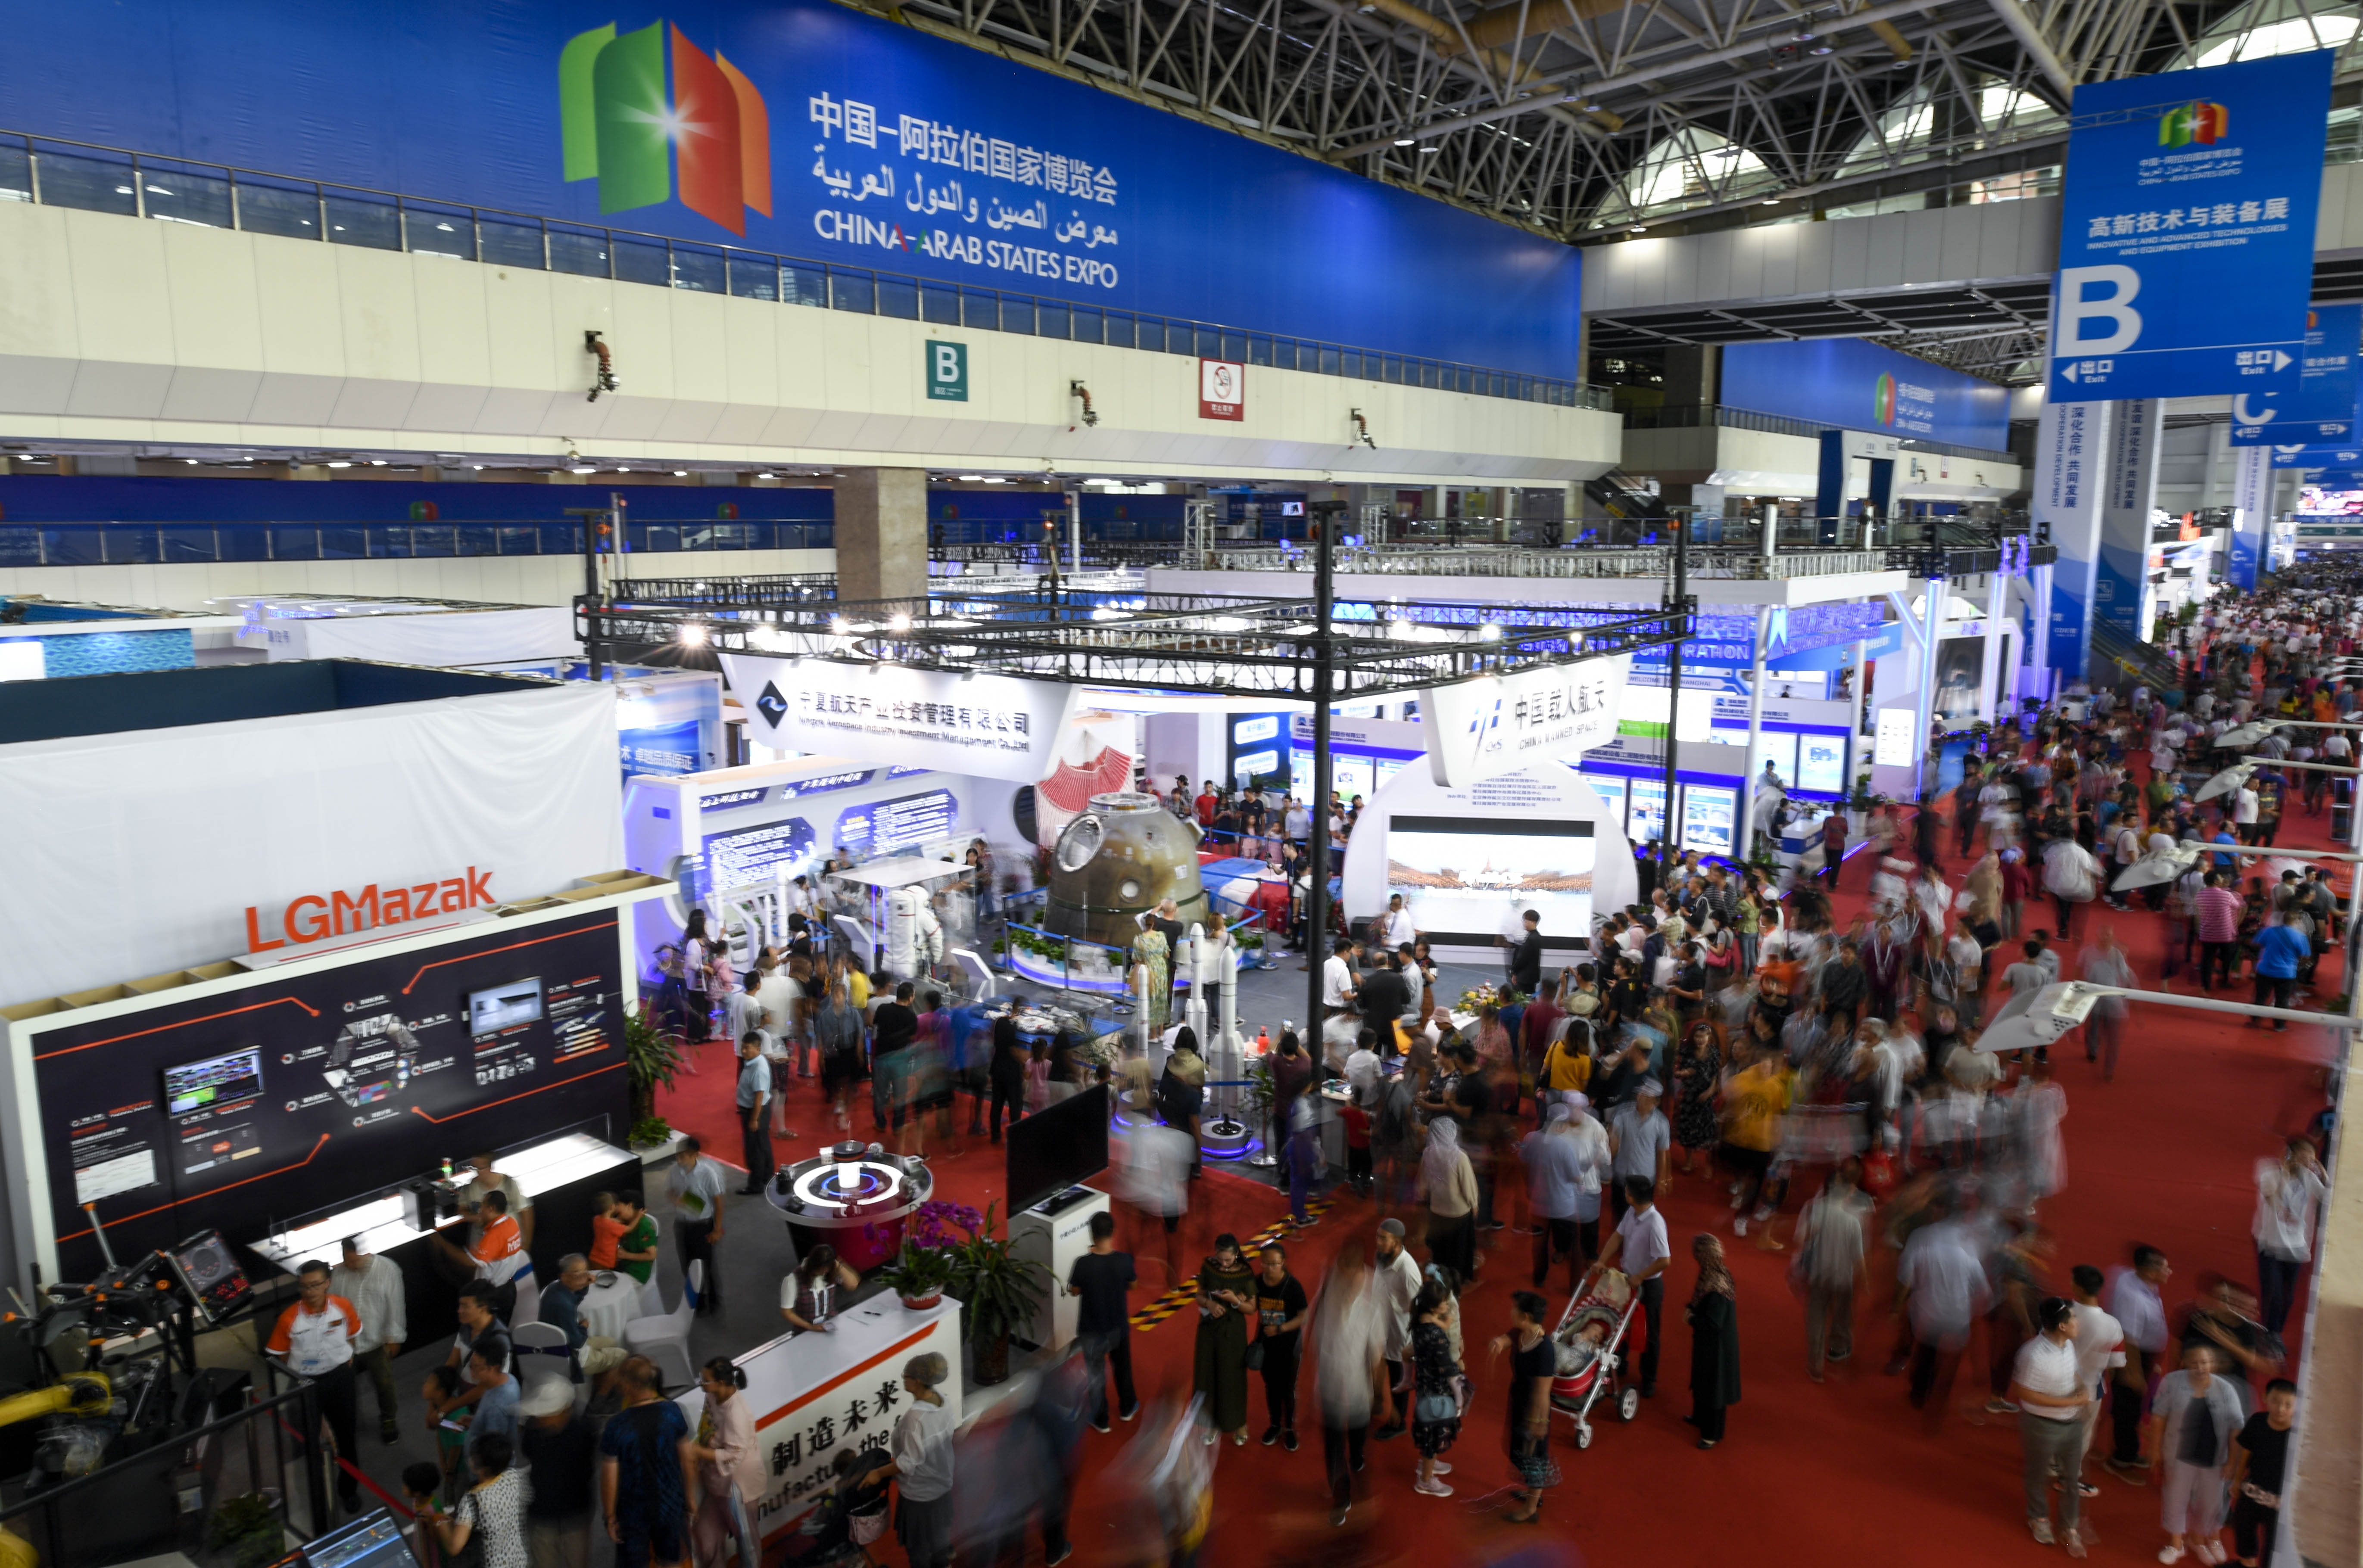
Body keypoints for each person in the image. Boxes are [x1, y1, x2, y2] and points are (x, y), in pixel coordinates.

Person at [267, 1259, 365, 1515]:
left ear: (327, 1283)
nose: (309, 1291)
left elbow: (353, 1335)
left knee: (347, 1437)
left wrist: (345, 1360)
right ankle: (318, 1497)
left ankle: (348, 1491)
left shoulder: (342, 1307)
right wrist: (301, 1373)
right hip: (307, 1384)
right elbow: (281, 1354)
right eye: (304, 1286)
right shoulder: (289, 1318)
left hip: (340, 1379)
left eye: (315, 1285)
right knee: (310, 1443)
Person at [1311, 1244, 1389, 1528]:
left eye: (1348, 1272)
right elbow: (1318, 1327)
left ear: (1359, 1270)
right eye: (1339, 1270)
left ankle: (1358, 1465)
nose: (1342, 1277)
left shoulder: (1374, 1297)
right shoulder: (1330, 1280)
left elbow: (1376, 1352)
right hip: (1330, 1382)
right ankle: (1341, 1497)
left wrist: (1378, 1393)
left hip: (1358, 1386)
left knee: (1358, 1443)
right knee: (1333, 1445)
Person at [2150, 1344, 2247, 1565]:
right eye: (2195, 1363)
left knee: (2211, 1503)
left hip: (2214, 1459)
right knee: (2175, 1499)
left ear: (2213, 1364)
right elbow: (2159, 1417)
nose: (2201, 1367)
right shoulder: (2172, 1382)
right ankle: (2176, 1544)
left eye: (2205, 1362)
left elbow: (2236, 1428)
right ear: (2185, 1363)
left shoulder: (2226, 1390)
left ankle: (2202, 1540)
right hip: (2179, 1456)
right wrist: (2156, 1450)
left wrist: (2232, 1461)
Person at [2009, 1296, 2091, 1553]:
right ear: (2063, 1326)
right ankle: (2039, 1518)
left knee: (2072, 1479)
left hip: (2072, 1424)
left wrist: (2081, 1390)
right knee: (2038, 1475)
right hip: (2041, 1426)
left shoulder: (2068, 1346)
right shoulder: (2033, 1355)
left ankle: (2069, 1527)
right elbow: (2025, 1393)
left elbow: (2074, 1373)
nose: (2078, 1322)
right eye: (2074, 1318)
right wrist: (2070, 1402)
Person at [599, 1357, 695, 1568]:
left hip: (633, 1512)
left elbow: (609, 1477)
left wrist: (610, 1516)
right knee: (670, 1561)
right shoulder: (673, 1412)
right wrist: (690, 1500)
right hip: (670, 1504)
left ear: (630, 1385)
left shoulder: (617, 1426)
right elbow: (688, 1460)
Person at [1793, 1160, 1871, 1382]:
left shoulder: (1818, 1210)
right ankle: (1838, 1349)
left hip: (1820, 1274)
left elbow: (1802, 1240)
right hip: (1844, 1278)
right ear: (1847, 1194)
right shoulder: (1853, 1221)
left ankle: (1815, 1365)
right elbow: (1859, 1258)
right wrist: (1864, 1282)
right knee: (1842, 1314)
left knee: (1816, 1317)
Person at [878, 1353, 957, 1568]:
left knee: (918, 1550)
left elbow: (907, 1463)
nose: (904, 1379)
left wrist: (877, 1473)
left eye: (907, 1376)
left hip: (919, 1498)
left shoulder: (914, 1419)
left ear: (918, 1381)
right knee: (940, 1541)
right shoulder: (944, 1401)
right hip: (942, 1485)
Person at [1596, 1175, 1670, 1397]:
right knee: (1621, 1324)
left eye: (1627, 1191)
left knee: (1650, 1333)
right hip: (1627, 1280)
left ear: (1631, 1197)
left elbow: (1665, 1260)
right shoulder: (1632, 1212)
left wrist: (1641, 1276)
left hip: (1649, 1285)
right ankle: (1621, 1363)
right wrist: (1602, 1260)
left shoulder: (1655, 1223)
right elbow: (1618, 1237)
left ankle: (1649, 1379)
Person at [1524, 1100, 1608, 1294]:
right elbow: (1576, 1177)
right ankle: (1575, 1286)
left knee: (1539, 1240)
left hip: (1538, 1202)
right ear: (1560, 1124)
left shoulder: (1531, 1138)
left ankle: (1539, 1278)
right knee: (1576, 1245)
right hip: (1562, 1204)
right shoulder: (1564, 1147)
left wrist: (1530, 1188)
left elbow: (1524, 1164)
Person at [330, 1235, 407, 1445]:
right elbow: (333, 1306)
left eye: (354, 1260)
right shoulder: (339, 1274)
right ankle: (346, 1423)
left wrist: (394, 1337)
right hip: (347, 1343)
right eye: (346, 1260)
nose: (350, 1265)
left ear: (365, 1253)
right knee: (344, 1387)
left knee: (384, 1384)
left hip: (377, 1341)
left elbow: (396, 1304)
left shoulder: (387, 1269)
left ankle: (389, 1420)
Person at [1490, 1290, 1558, 1523]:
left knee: (1534, 1457)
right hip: (1520, 1401)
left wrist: (1539, 1422)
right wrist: (1501, 1342)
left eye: (1515, 1310)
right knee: (1521, 1452)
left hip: (1534, 1410)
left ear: (1526, 1317)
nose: (1511, 1312)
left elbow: (1543, 1393)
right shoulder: (1523, 1332)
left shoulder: (1544, 1351)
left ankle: (1531, 1509)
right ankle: (1532, 1494)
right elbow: (1511, 1336)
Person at [1068, 1212, 1140, 1431]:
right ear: (1113, 1232)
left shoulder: (1083, 1264)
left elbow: (1074, 1290)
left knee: (1096, 1375)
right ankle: (1128, 1408)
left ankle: (1101, 1419)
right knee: (1123, 1369)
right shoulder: (1125, 1260)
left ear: (1092, 1234)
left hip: (1092, 1329)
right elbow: (1133, 1285)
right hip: (1118, 1327)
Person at [688, 1357, 762, 1568]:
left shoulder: (737, 1414)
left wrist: (698, 1452)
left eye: (705, 1381)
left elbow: (734, 1455)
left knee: (745, 1540)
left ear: (721, 1383)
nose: (701, 1384)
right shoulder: (712, 1396)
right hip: (716, 1482)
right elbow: (706, 1427)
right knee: (706, 1537)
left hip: (736, 1485)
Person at [517, 1377, 597, 1568]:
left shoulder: (582, 1432)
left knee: (578, 1563)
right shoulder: (533, 1429)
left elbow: (586, 1471)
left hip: (575, 1515)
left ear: (565, 1410)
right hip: (542, 1514)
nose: (541, 1417)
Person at [2254, 1137, 2328, 1335]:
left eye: (2312, 1157)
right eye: (2305, 1156)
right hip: (2271, 1245)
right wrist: (2286, 1172)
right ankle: (2271, 1333)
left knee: (2288, 1297)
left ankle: (2276, 1332)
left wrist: (2323, 1174)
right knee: (2274, 1294)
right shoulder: (2269, 1172)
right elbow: (2272, 1200)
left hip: (2295, 1247)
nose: (2309, 1161)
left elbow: (2328, 1197)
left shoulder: (2309, 1178)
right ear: (2290, 1154)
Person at [431, 1432, 530, 1568]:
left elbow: (455, 1547)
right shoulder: (515, 1477)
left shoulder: (473, 1500)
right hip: (519, 1561)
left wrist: (441, 1522)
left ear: (477, 1466)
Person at [1191, 1234, 1255, 1446]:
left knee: (1233, 1379)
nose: (1224, 1264)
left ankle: (1240, 1424)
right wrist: (1209, 1304)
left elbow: (1252, 1308)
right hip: (1209, 1331)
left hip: (1233, 1334)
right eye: (1220, 1259)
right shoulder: (1209, 1266)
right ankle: (1212, 1425)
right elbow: (1200, 1295)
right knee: (1208, 1377)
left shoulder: (1245, 1273)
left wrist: (1235, 1301)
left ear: (1236, 1255)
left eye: (1228, 1260)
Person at [2228, 1378, 2297, 1568]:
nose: (2281, 1409)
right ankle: (2247, 1563)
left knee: (2274, 1543)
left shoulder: (2298, 1434)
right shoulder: (2258, 1421)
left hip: (2280, 1501)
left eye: (2288, 1405)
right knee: (2243, 1526)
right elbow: (2246, 1451)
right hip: (2253, 1490)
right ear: (2265, 1398)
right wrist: (2237, 1480)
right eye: (2276, 1401)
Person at [1406, 1277, 1461, 1497]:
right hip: (1438, 1391)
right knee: (1434, 1434)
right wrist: (1460, 1394)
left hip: (1424, 1386)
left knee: (1430, 1430)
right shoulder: (1435, 1334)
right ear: (1433, 1307)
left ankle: (1428, 1464)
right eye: (1444, 1302)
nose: (1447, 1305)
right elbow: (1447, 1368)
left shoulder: (1420, 1322)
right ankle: (1426, 1480)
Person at [1686, 1233, 1741, 1449]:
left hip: (1717, 1347)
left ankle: (1712, 1434)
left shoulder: (1717, 1285)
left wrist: (1691, 1318)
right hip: (1708, 1343)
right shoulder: (1713, 1272)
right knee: (1703, 1380)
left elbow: (1714, 1322)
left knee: (1714, 1388)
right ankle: (1700, 1417)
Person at [1253, 1242, 1309, 1451]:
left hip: (1289, 1346)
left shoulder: (1293, 1286)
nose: (1270, 1268)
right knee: (1271, 1387)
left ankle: (1290, 1429)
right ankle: (1275, 1425)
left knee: (1288, 1388)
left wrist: (1280, 1329)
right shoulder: (1258, 1282)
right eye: (1266, 1264)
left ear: (1283, 1263)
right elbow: (1254, 1308)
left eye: (1274, 1264)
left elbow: (1303, 1316)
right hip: (1267, 1344)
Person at [1371, 1217, 1424, 1440]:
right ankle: (1378, 1405)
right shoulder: (1382, 1257)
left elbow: (1419, 1308)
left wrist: (1413, 1343)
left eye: (1384, 1239)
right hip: (1380, 1327)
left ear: (1397, 1242)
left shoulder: (1408, 1270)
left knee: (1398, 1379)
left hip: (1399, 1336)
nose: (1378, 1242)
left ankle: (1398, 1422)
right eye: (1378, 1237)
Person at [665, 1139, 727, 1315]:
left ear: (695, 1156)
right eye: (677, 1156)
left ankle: (713, 1302)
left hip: (702, 1227)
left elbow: (718, 1203)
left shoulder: (708, 1173)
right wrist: (676, 1199)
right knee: (687, 1265)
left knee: (706, 1266)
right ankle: (697, 1303)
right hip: (682, 1225)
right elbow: (670, 1191)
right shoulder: (675, 1171)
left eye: (683, 1156)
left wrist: (717, 1230)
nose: (679, 1160)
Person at [1415, 1116, 1479, 1285]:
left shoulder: (1428, 1154)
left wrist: (1423, 1197)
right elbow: (1468, 1185)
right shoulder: (1460, 1156)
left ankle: (1440, 1279)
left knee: (1441, 1249)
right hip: (1459, 1213)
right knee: (1459, 1249)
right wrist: (1474, 1204)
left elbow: (1424, 1183)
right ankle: (1458, 1279)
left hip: (1437, 1210)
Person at [779, 1245, 860, 1334]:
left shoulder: (830, 1272)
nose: (824, 1273)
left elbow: (852, 1285)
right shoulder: (792, 1280)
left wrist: (837, 1266)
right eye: (821, 1270)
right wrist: (810, 1326)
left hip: (831, 1324)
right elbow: (787, 1312)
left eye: (827, 1270)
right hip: (805, 1330)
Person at [733, 1035, 773, 1195]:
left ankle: (756, 1185)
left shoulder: (758, 1069)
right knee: (763, 1146)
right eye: (743, 1047)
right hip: (756, 1110)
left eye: (747, 1048)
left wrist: (754, 1119)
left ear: (758, 1049)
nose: (743, 1051)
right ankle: (767, 1178)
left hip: (755, 1112)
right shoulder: (754, 1061)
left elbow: (759, 1097)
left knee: (754, 1150)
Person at [611, 1192, 660, 1288]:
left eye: (619, 1205)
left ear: (630, 1206)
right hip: (625, 1268)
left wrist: (626, 1255)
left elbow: (652, 1255)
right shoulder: (627, 1222)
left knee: (613, 1290)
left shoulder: (644, 1226)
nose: (616, 1209)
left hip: (637, 1273)